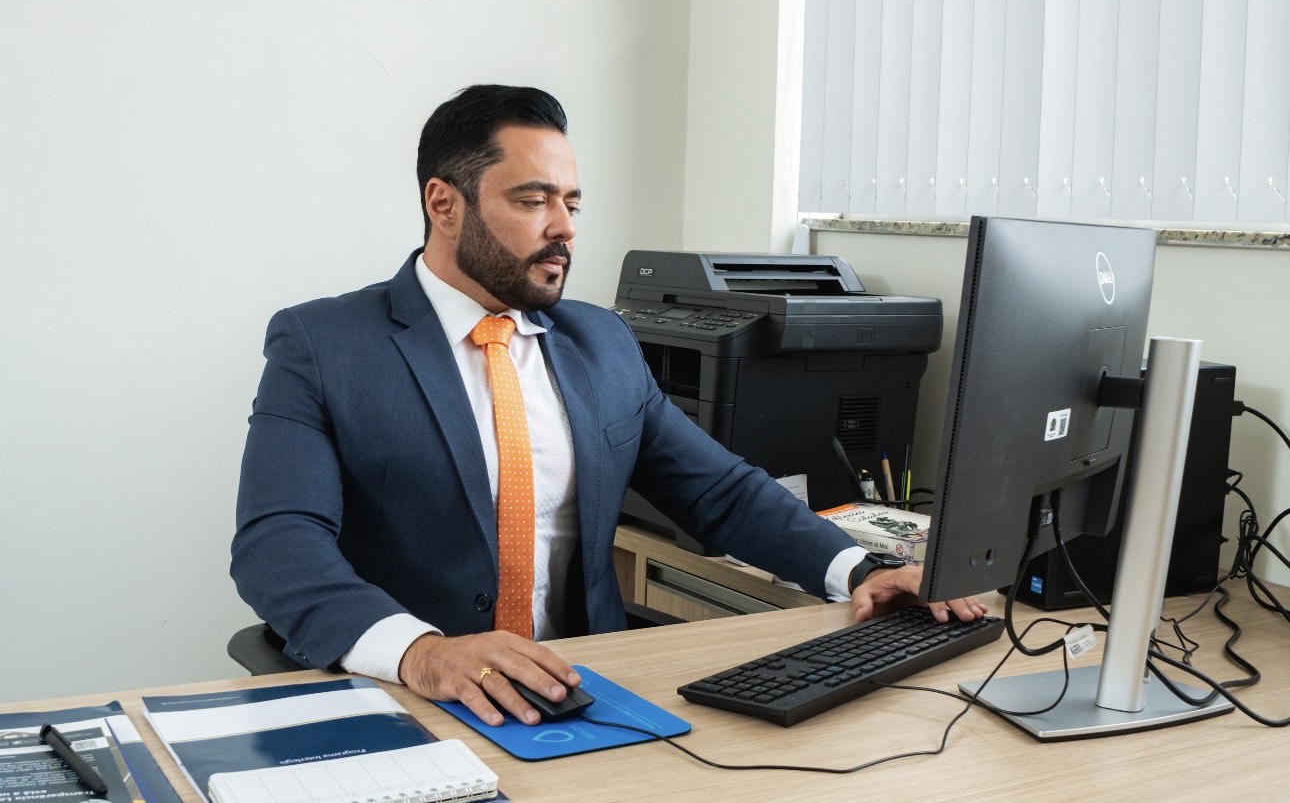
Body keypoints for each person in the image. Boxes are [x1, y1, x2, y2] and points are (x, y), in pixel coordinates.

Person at [231, 84, 986, 728]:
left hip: (576, 695)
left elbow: (719, 491)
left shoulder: (600, 341)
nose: (564, 227)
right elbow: (278, 544)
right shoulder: (324, 344)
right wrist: (421, 652)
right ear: (444, 204)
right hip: (407, 698)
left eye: (571, 201)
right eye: (533, 199)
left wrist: (858, 569)